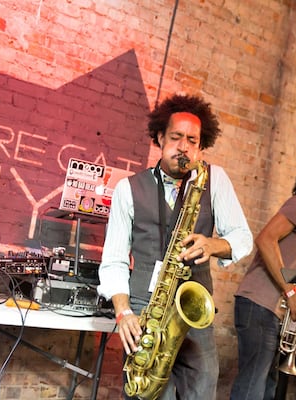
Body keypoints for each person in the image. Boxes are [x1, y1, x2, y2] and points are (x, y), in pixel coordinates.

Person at [97, 93, 253, 399]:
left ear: (201, 145)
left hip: (192, 310)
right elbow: (114, 260)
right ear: (159, 137)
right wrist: (123, 312)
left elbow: (243, 237)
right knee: (150, 393)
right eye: (176, 137)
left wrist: (213, 244)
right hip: (144, 311)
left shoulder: (214, 180)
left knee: (203, 389)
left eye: (192, 141)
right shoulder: (128, 189)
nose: (184, 147)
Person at [230, 160, 296, 400]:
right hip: (260, 305)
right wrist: (291, 292)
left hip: (267, 310)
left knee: (267, 388)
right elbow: (265, 238)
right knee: (252, 387)